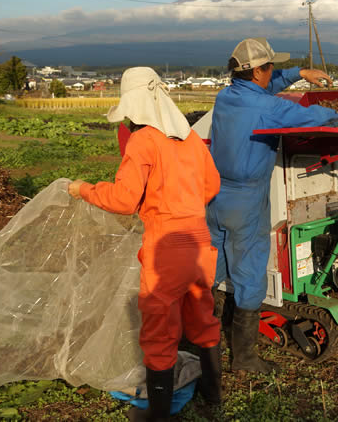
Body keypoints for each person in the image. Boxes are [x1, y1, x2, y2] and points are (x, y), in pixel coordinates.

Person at [68, 67, 222, 422]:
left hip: (166, 245)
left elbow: (123, 199)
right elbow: (211, 185)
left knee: (159, 330)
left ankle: (157, 413)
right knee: (202, 315)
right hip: (198, 239)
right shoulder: (190, 139)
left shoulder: (143, 141)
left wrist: (84, 189)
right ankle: (214, 396)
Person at [207, 38, 338, 374]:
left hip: (216, 194)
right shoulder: (267, 108)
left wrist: (299, 73)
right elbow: (297, 114)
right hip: (247, 199)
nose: (273, 72)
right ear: (260, 71)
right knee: (249, 273)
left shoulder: (226, 97)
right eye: (271, 67)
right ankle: (245, 360)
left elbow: (262, 90)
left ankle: (200, 340)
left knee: (213, 265)